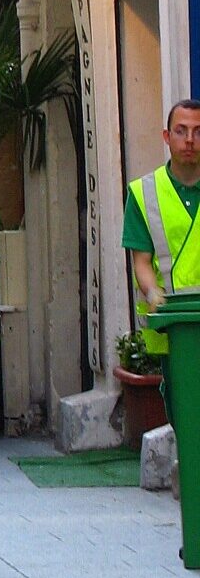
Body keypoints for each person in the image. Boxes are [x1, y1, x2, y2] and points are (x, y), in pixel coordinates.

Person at [122, 98, 200, 410]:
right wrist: (153, 292)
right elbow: (141, 261)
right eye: (181, 131)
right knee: (186, 411)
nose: (190, 140)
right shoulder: (144, 193)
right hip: (176, 326)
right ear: (166, 137)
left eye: (197, 131)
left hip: (182, 321)